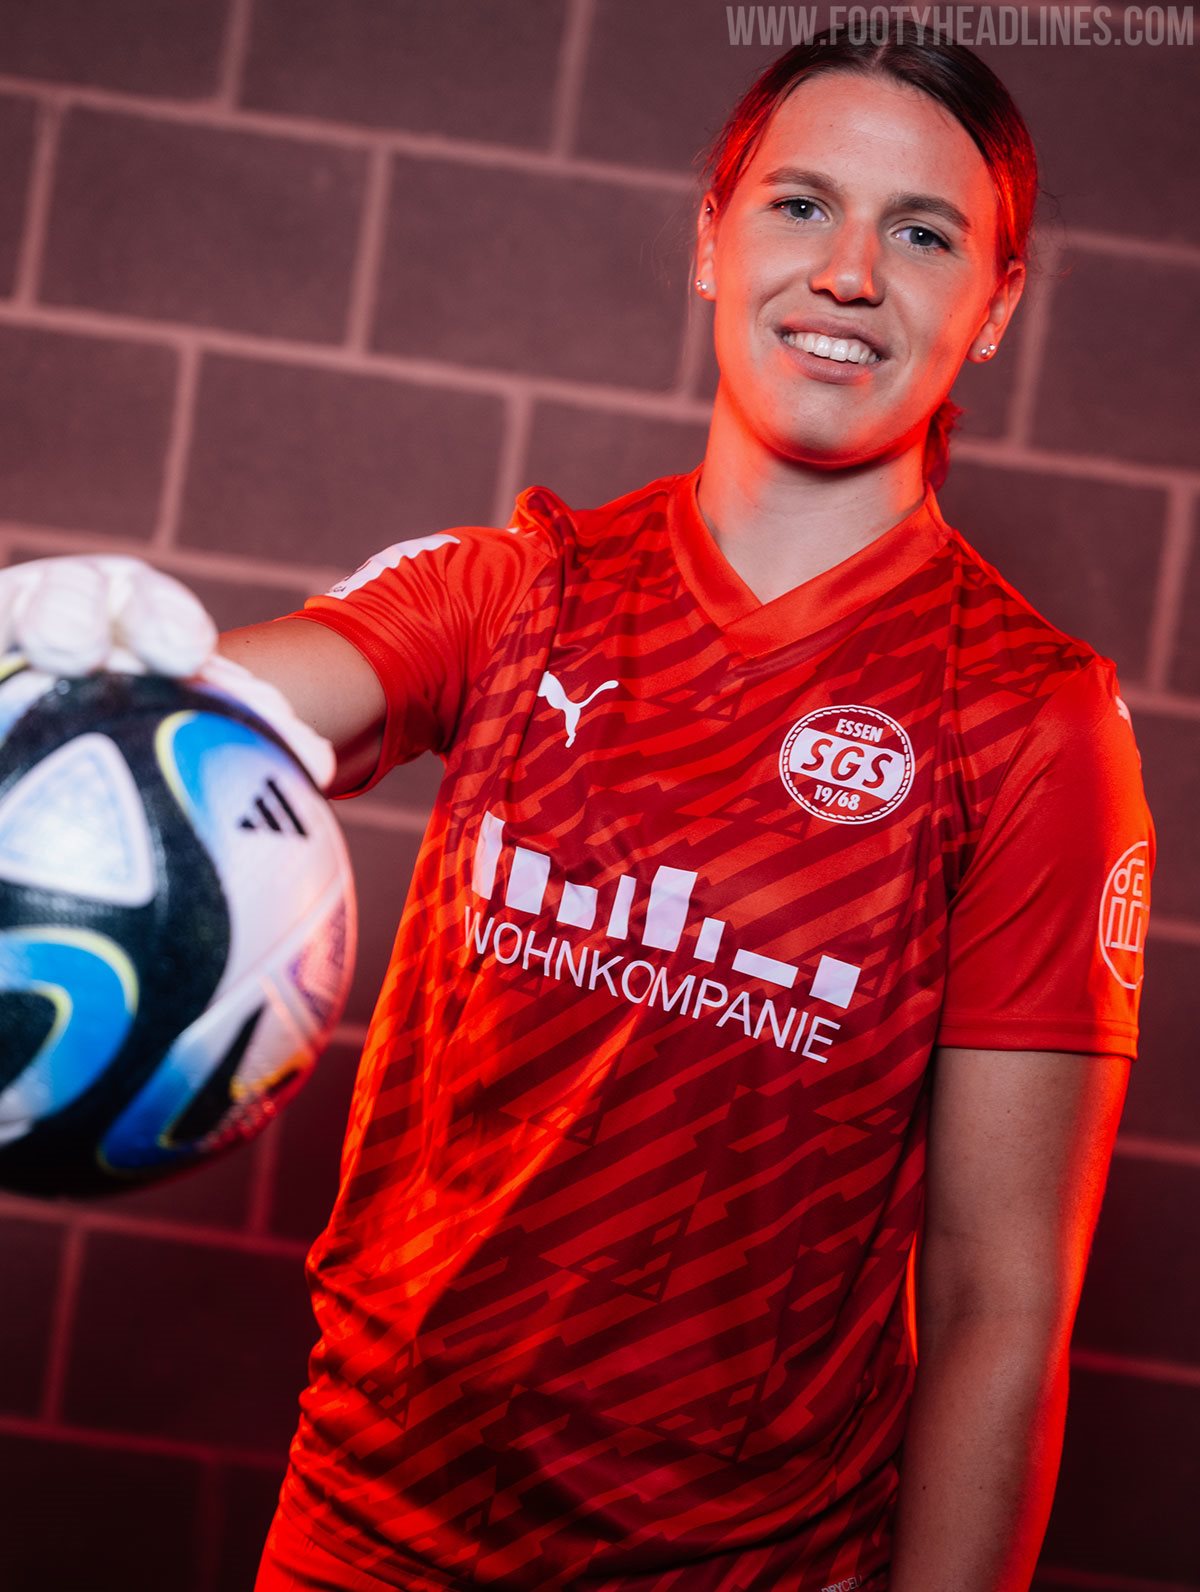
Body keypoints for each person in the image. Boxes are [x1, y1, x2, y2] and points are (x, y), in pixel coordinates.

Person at [0, 27, 1154, 1592]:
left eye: (925, 232)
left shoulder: (1031, 720)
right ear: (710, 237)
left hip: (729, 1571)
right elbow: (231, 705)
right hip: (360, 1535)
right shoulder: (519, 588)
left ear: (999, 300)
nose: (850, 273)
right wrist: (73, 670)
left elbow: (1000, 1300)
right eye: (800, 205)